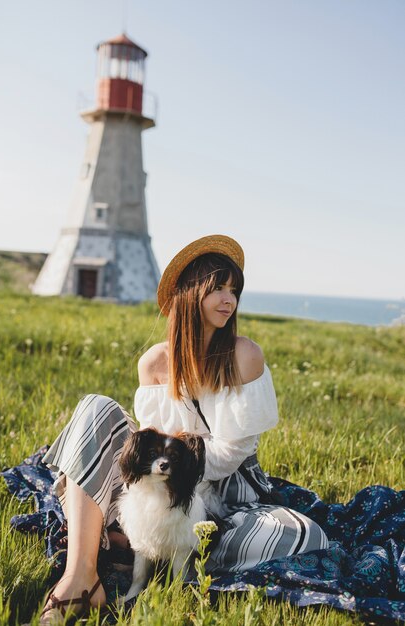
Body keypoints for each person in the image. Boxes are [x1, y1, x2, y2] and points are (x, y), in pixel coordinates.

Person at [39, 235, 329, 624]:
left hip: (223, 491)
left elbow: (230, 454)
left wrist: (176, 484)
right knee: (96, 406)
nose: (229, 300)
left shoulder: (244, 355)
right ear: (190, 293)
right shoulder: (153, 363)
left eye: (234, 290)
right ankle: (80, 578)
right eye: (217, 289)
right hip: (158, 482)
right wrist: (151, 492)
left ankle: (146, 541)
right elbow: (149, 442)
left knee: (301, 534)